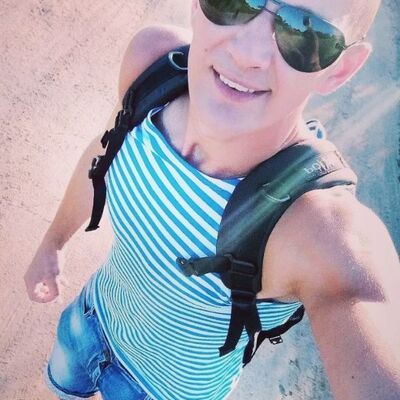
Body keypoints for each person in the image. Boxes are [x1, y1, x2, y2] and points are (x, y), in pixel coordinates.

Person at [24, 0, 400, 399]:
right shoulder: (152, 67)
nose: (247, 52)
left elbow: (362, 296)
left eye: (305, 31)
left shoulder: (314, 227)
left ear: (339, 69)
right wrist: (54, 242)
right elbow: (104, 154)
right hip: (89, 320)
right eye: (235, 1)